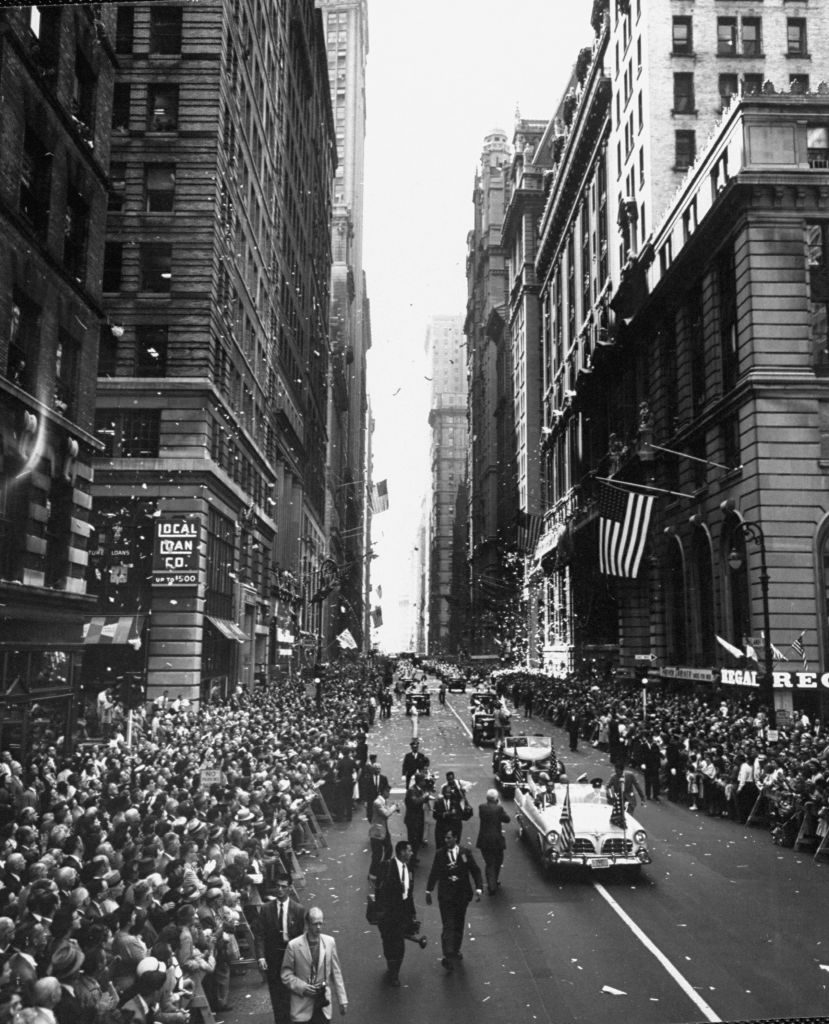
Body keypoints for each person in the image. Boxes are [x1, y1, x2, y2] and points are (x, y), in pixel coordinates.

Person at [424, 828, 482, 972]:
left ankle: (455, 949)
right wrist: (428, 889)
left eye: (449, 838)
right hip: (446, 896)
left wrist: (479, 888)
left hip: (462, 895)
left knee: (458, 924)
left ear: (456, 839)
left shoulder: (464, 853)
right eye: (445, 838)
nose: (446, 841)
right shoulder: (440, 854)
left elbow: (474, 870)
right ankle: (447, 955)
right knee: (448, 925)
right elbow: (434, 872)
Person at [253, 875, 305, 1024]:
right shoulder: (266, 909)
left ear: (289, 888)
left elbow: (302, 937)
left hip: (291, 954)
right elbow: (260, 935)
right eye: (278, 886)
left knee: (293, 991)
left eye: (283, 886)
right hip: (273, 955)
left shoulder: (298, 910)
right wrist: (261, 956)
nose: (280, 890)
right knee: (276, 993)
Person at [280, 907, 347, 1022]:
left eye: (321, 923)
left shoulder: (329, 942)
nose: (319, 927)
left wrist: (342, 1000)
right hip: (302, 1006)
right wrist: (302, 987)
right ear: (307, 924)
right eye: (315, 924)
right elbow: (286, 975)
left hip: (323, 1004)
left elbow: (336, 973)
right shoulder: (294, 946)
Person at [373, 840, 417, 987]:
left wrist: (412, 913)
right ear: (402, 852)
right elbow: (379, 890)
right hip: (388, 913)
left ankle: (394, 972)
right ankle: (391, 963)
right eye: (409, 851)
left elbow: (409, 893)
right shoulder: (386, 866)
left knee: (399, 943)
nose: (411, 853)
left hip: (402, 912)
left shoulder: (409, 868)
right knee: (388, 941)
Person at [475, 790, 510, 895]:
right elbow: (507, 819)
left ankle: (492, 882)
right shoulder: (499, 808)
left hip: (484, 839)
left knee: (489, 862)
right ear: (496, 798)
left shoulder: (482, 807)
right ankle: (493, 883)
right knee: (498, 861)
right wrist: (499, 805)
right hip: (496, 839)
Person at [368, 779, 398, 882]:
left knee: (389, 848)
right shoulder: (377, 802)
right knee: (377, 854)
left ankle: (383, 868)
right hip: (377, 832)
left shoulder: (383, 801)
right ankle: (373, 874)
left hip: (384, 830)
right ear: (383, 792)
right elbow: (386, 814)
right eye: (387, 791)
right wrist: (394, 807)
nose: (389, 794)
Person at [432, 772, 466, 848]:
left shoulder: (455, 801)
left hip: (452, 828)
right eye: (446, 793)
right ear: (443, 793)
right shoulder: (438, 802)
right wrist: (444, 814)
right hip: (441, 829)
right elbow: (435, 815)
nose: (448, 795)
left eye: (449, 793)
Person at [403, 773, 430, 865]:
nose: (425, 782)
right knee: (413, 840)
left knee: (417, 839)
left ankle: (413, 857)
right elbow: (415, 802)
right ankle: (410, 859)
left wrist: (426, 797)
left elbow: (423, 800)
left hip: (418, 818)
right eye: (423, 780)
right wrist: (424, 796)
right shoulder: (412, 790)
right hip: (412, 819)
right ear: (420, 781)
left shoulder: (420, 789)